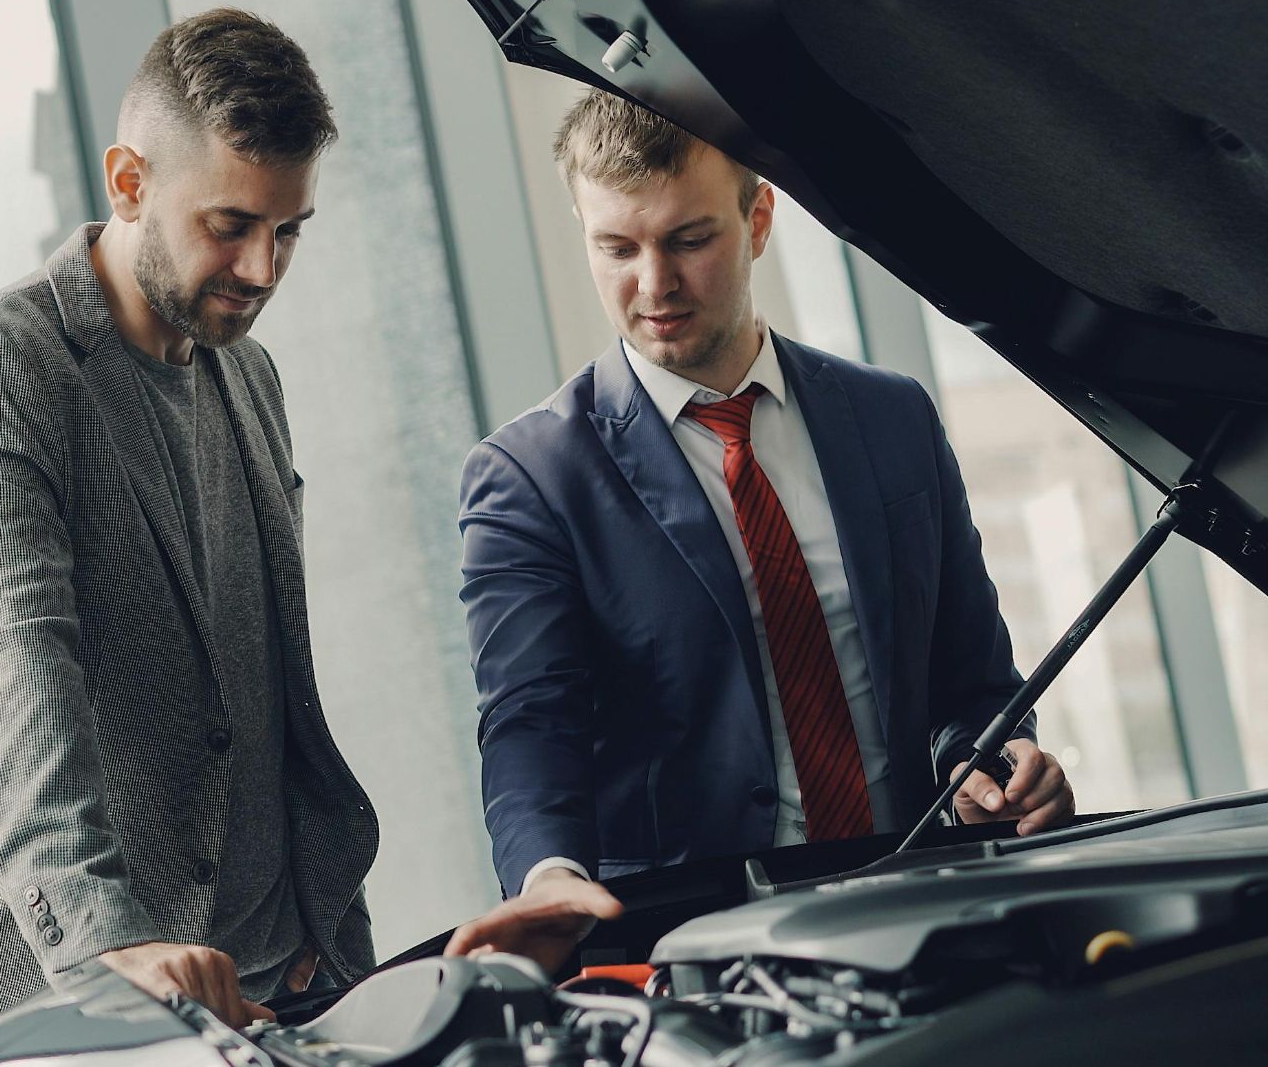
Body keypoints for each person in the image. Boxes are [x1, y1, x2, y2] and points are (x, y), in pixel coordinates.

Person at [0, 10, 611, 1065]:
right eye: (229, 223)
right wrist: (108, 947)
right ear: (131, 181)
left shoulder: (249, 377)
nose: (262, 268)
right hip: (61, 1020)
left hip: (270, 1007)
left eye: (289, 230)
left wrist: (340, 959)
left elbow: (272, 703)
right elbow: (12, 673)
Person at [457, 92, 1076, 908]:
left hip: (925, 894)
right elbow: (532, 725)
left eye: (689, 239)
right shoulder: (529, 477)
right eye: (616, 247)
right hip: (696, 939)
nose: (654, 285)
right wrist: (548, 878)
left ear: (757, 220)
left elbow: (971, 684)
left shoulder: (893, 419)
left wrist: (995, 763)